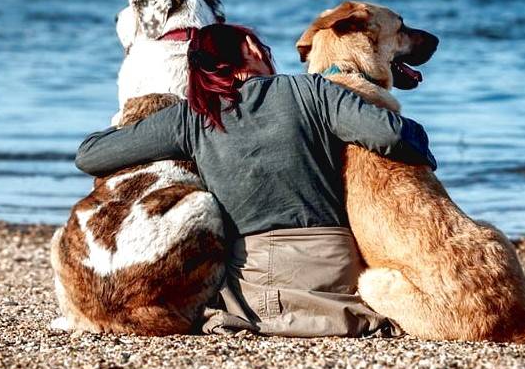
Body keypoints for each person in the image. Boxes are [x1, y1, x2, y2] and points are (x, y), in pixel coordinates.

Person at [75, 23, 437, 338]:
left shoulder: (191, 118)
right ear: (250, 49)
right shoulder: (311, 91)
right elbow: (391, 135)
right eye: (262, 47)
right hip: (332, 269)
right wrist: (425, 150)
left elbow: (90, 154)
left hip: (253, 287)